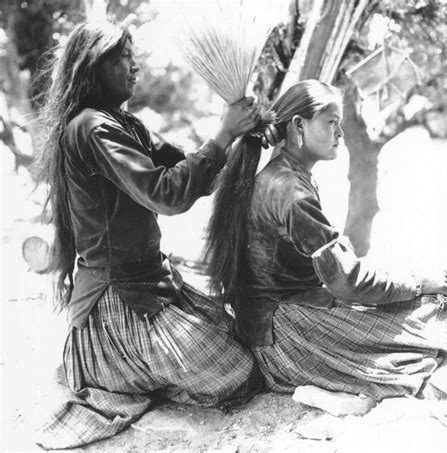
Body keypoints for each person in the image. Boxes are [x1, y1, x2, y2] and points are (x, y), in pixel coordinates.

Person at [35, 21, 280, 449]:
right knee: (237, 371)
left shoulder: (123, 124)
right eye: (122, 57)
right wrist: (224, 132)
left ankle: (149, 371)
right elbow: (167, 195)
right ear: (94, 66)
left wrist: (244, 138)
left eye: (132, 55)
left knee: (236, 335)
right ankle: (117, 369)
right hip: (116, 303)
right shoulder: (92, 128)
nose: (134, 66)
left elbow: (193, 175)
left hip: (149, 285)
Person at [205, 79, 447, 404]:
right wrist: (417, 281)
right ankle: (327, 387)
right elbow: (346, 280)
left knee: (420, 310)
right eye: (331, 122)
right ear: (299, 125)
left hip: (274, 326)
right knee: (436, 312)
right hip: (285, 338)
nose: (340, 133)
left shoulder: (284, 178)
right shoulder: (290, 191)